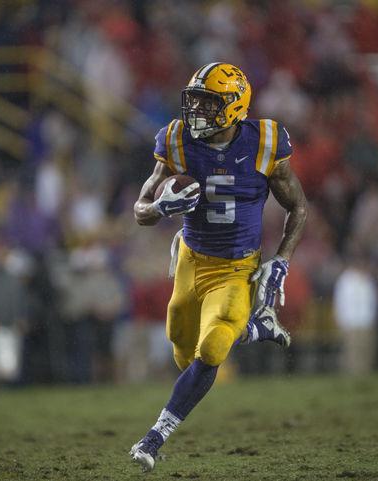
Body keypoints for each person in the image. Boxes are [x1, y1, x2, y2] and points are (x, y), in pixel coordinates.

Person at [130, 62, 308, 471]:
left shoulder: (265, 141)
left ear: (234, 107)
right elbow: (140, 209)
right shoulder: (175, 139)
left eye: (208, 104)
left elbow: (298, 206)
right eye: (194, 101)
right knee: (183, 352)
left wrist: (281, 259)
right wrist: (159, 208)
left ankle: (154, 438)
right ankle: (254, 326)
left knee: (212, 348)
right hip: (191, 261)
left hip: (235, 268)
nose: (197, 112)